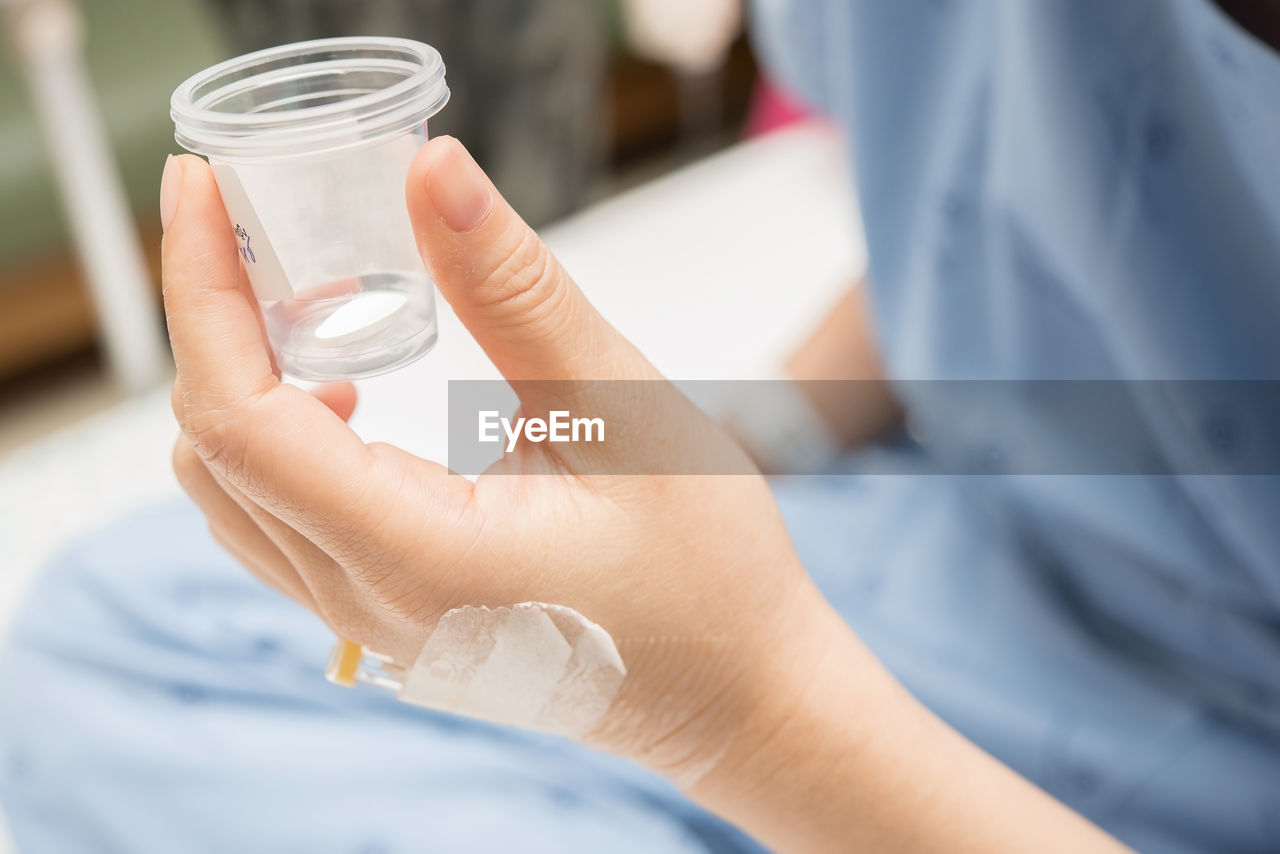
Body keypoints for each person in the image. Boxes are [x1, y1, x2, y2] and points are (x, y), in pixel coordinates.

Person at [1, 1, 1277, 851]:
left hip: (1215, 734)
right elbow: (1028, 200)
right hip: (971, 543)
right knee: (121, 624)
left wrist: (739, 713)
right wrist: (740, 438)